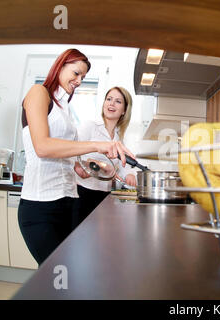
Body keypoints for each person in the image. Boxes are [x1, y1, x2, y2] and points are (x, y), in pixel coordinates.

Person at [18, 48, 135, 265]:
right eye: (76, 73)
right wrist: (97, 146)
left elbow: (72, 164)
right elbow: (42, 147)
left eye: (83, 77)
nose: (79, 81)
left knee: (69, 276)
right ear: (60, 65)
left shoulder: (65, 109)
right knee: (55, 275)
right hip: (40, 207)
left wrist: (90, 168)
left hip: (67, 203)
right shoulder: (38, 93)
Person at [72, 86, 137, 229]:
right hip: (82, 194)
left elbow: (119, 168)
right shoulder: (90, 126)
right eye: (109, 99)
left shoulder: (119, 138)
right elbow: (70, 152)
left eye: (118, 101)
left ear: (124, 110)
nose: (111, 104)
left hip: (104, 196)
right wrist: (85, 165)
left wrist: (130, 175)